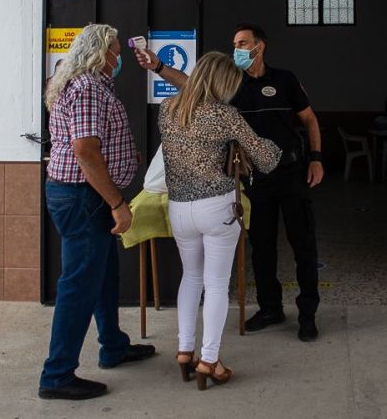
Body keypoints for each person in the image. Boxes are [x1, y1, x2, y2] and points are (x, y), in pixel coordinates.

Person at [135, 22, 325, 342]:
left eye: (241, 42)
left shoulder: (285, 79)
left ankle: (308, 314)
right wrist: (159, 67)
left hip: (292, 173)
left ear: (259, 46)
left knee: (302, 243)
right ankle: (270, 308)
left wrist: (317, 157)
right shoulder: (233, 85)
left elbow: (309, 119)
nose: (236, 48)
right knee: (261, 246)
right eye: (234, 43)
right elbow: (193, 86)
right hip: (255, 176)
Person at [39, 24, 155, 401]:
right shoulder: (88, 88)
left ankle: (114, 346)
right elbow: (85, 150)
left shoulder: (80, 83)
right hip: (85, 197)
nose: (119, 58)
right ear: (102, 53)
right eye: (116, 51)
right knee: (78, 285)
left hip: (81, 194)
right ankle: (57, 376)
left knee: (104, 274)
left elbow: (96, 143)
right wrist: (117, 203)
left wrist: (125, 156)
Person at [159, 51, 282, 390]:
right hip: (216, 208)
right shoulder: (225, 114)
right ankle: (209, 361)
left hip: (179, 208)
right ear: (225, 84)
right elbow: (264, 157)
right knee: (215, 285)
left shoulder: (167, 109)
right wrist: (278, 146)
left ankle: (185, 352)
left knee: (191, 278)